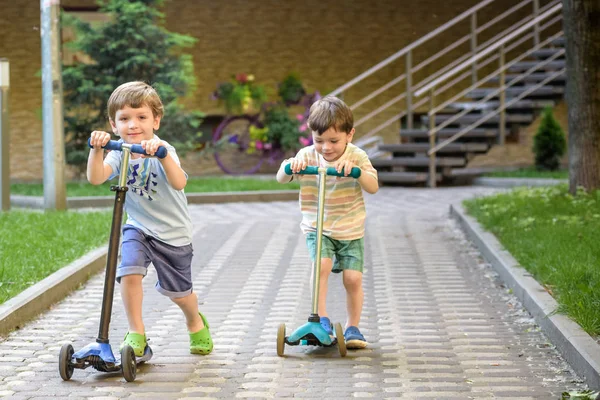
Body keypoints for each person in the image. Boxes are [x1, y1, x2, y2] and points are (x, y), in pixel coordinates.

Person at [87, 81, 212, 356]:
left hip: (173, 233)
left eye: (141, 117)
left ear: (155, 120)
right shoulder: (119, 153)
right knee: (129, 272)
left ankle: (194, 321)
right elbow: (96, 177)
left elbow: (179, 183)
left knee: (178, 293)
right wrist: (96, 149)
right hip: (139, 227)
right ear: (113, 124)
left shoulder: (164, 149)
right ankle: (137, 334)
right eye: (124, 119)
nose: (133, 125)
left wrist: (162, 155)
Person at [276, 95, 379, 349]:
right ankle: (321, 320)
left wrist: (357, 172)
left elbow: (373, 186)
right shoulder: (307, 156)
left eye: (334, 141)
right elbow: (281, 177)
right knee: (321, 265)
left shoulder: (357, 156)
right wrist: (290, 166)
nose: (326, 147)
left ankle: (353, 327)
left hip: (350, 229)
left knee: (352, 279)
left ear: (349, 135)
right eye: (319, 140)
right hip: (317, 226)